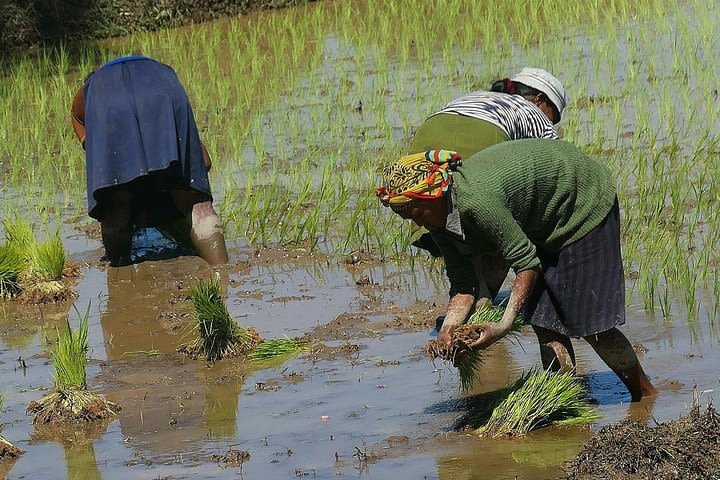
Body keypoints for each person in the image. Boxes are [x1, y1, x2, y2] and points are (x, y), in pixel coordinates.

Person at [375, 139, 658, 401]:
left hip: (579, 204)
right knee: (544, 319)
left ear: (434, 196)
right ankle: (565, 399)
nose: (419, 224)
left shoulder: (475, 201)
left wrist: (502, 326)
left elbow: (525, 263)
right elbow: (463, 285)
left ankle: (644, 396)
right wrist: (448, 330)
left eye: (417, 214)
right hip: (538, 220)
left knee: (592, 325)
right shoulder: (439, 222)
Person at [408, 67, 568, 309]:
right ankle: (481, 311)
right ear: (540, 100)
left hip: (424, 149)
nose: (551, 123)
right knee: (504, 224)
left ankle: (464, 311)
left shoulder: (476, 96)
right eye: (553, 116)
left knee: (451, 232)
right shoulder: (533, 113)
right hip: (480, 142)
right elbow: (559, 163)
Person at [70, 55, 228, 266]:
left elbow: (83, 128)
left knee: (116, 198)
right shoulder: (161, 72)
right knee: (195, 202)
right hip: (162, 87)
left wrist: (114, 174)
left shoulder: (91, 91)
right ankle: (223, 274)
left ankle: (120, 277)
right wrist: (183, 184)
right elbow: (204, 163)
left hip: (109, 102)